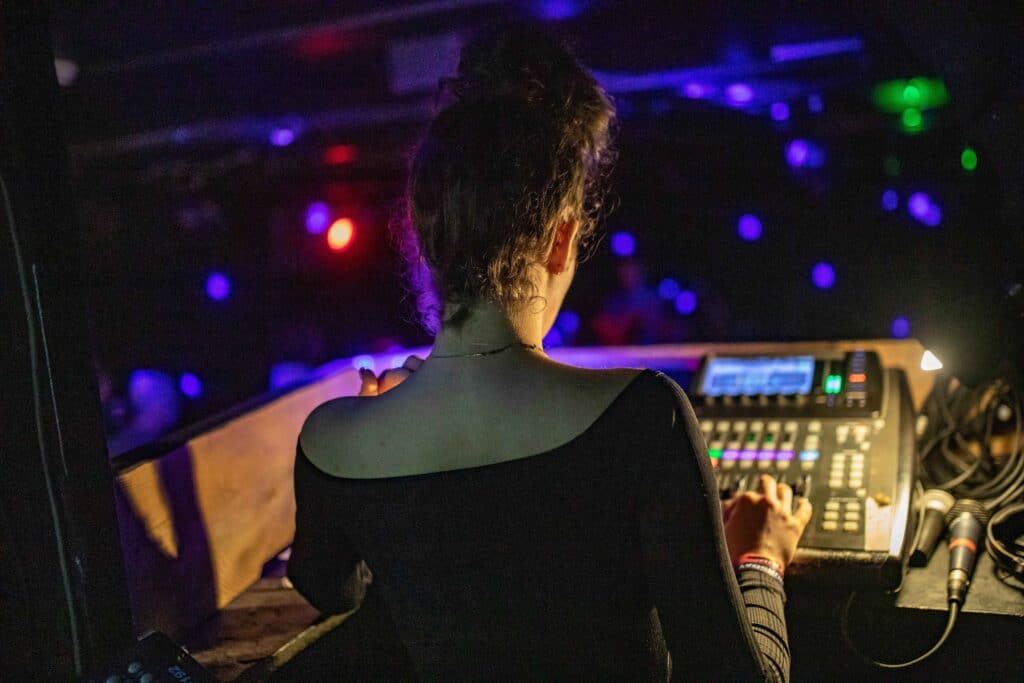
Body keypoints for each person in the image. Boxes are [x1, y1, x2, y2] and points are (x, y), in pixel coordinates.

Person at [288, 26, 811, 682]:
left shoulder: (331, 437)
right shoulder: (645, 416)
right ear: (563, 239)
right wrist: (760, 559)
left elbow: (335, 588)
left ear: (422, 241)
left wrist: (381, 434)